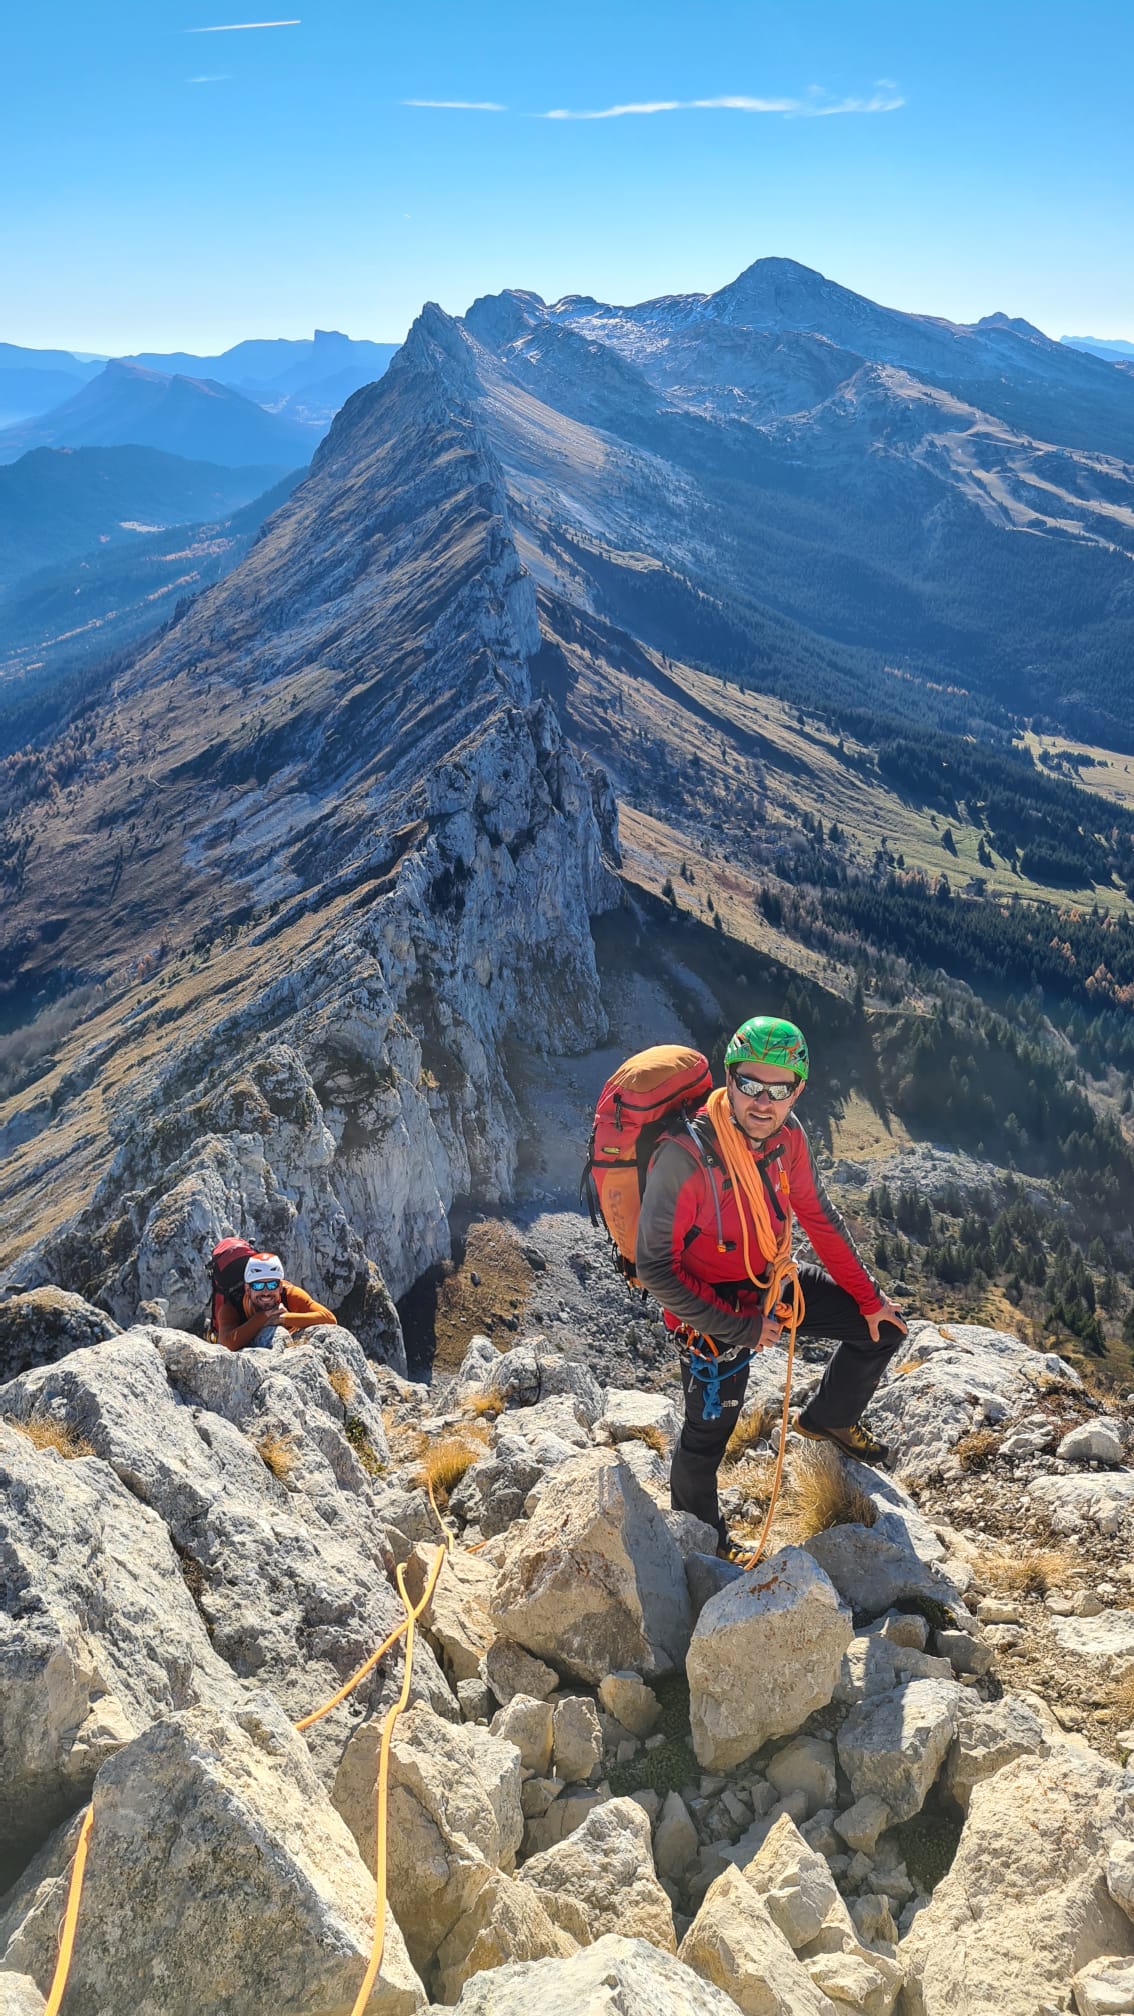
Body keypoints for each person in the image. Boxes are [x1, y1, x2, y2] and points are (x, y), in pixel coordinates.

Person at [635, 1015, 907, 1555]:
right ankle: (703, 1545)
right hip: (711, 1312)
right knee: (709, 1433)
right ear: (728, 1079)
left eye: (779, 1090)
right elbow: (656, 1270)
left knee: (881, 1331)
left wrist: (871, 1299)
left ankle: (828, 1419)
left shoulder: (788, 1141)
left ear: (797, 1091)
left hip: (770, 1283)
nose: (762, 1102)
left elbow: (818, 1217)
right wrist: (741, 1327)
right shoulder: (684, 1158)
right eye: (749, 1085)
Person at [216, 1251, 336, 1352]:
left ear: (280, 1286)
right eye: (258, 1286)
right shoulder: (232, 1307)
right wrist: (263, 1317)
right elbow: (227, 1344)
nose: (266, 1292)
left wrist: (283, 1318)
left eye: (272, 1284)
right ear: (247, 1289)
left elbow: (329, 1318)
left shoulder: (290, 1294)